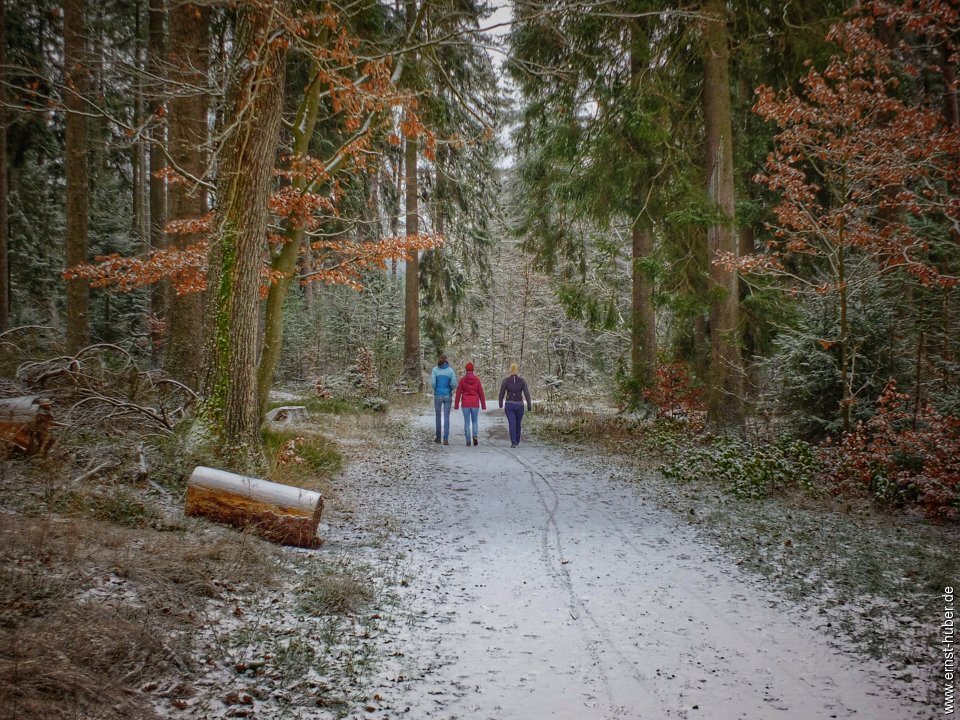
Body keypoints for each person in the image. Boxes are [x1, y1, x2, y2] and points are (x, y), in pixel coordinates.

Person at [499, 363, 532, 448]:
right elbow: (526, 393)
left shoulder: (505, 380)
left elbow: (502, 392)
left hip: (509, 404)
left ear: (510, 370)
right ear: (517, 370)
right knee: (518, 423)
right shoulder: (522, 381)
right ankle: (517, 440)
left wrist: (500, 403)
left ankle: (513, 442)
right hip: (519, 405)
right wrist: (529, 404)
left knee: (512, 423)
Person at [454, 362, 487, 446]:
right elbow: (481, 392)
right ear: (473, 370)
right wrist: (483, 405)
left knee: (467, 422)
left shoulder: (462, 380)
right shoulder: (477, 380)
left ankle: (468, 441)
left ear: (466, 369)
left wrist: (456, 404)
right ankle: (475, 436)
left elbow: (458, 393)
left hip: (465, 404)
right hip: (475, 403)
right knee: (475, 421)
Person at [431, 354, 457, 445]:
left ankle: (438, 437)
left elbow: (433, 383)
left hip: (438, 395)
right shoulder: (450, 370)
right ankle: (445, 438)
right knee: (446, 417)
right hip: (447, 395)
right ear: (446, 360)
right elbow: (454, 383)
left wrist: (436, 388)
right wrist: (450, 388)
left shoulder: (435, 370)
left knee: (438, 417)